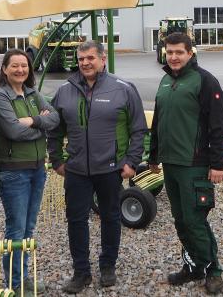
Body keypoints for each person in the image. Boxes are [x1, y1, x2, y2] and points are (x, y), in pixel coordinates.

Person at [47, 40, 147, 294]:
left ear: (103, 59)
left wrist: (131, 162)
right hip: (77, 171)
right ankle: (81, 272)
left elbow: (138, 129)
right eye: (81, 59)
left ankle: (107, 265)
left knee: (111, 217)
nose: (85, 63)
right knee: (76, 220)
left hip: (110, 169)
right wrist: (57, 160)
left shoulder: (123, 88)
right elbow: (54, 129)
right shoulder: (65, 91)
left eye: (90, 58)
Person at [149, 32, 223, 295]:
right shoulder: (164, 81)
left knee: (196, 221)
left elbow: (218, 125)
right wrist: (153, 157)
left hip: (194, 165)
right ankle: (192, 267)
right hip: (170, 165)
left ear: (190, 53)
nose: (173, 57)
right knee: (180, 220)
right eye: (169, 52)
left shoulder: (205, 81)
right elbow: (158, 122)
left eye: (178, 52)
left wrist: (218, 164)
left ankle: (213, 271)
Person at [0, 49, 59, 292]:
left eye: (24, 66)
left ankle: (22, 277)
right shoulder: (1, 96)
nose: (20, 70)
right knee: (16, 228)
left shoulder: (33, 94)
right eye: (15, 66)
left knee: (29, 227)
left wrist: (33, 121)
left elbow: (55, 119)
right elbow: (12, 131)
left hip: (37, 169)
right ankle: (15, 282)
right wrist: (42, 124)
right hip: (13, 172)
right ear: (4, 69)